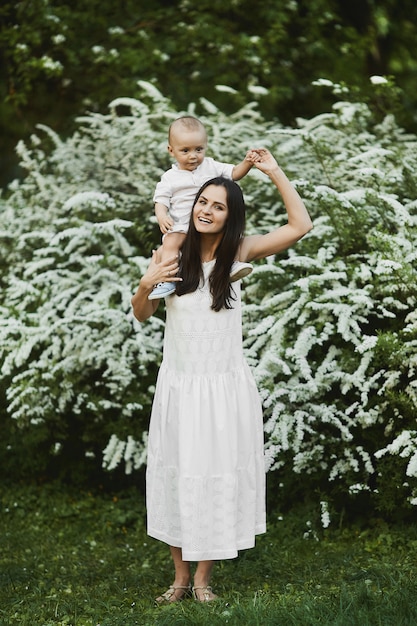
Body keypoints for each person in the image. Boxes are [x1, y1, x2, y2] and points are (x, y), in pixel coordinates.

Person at [131, 148, 313, 603]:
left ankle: (203, 578)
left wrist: (272, 171)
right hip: (179, 385)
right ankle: (177, 577)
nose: (205, 211)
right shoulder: (172, 249)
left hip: (224, 387)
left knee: (214, 474)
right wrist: (145, 284)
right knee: (177, 474)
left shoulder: (240, 252)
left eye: (218, 206)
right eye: (201, 202)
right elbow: (142, 315)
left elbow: (300, 226)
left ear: (230, 217)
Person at [148, 115, 256, 300]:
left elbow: (234, 173)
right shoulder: (170, 177)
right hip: (183, 225)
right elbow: (161, 200)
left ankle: (231, 264)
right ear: (171, 150)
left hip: (208, 222)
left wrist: (248, 162)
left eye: (199, 149)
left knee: (228, 235)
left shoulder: (210, 166)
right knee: (170, 243)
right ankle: (167, 278)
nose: (193, 156)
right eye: (185, 151)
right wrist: (162, 216)